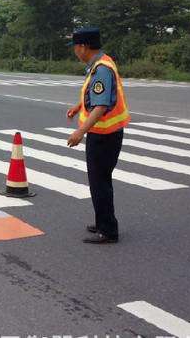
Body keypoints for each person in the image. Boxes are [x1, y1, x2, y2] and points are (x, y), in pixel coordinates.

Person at [65, 27, 130, 244]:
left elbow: (101, 105)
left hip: (104, 135)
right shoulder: (101, 63)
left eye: (75, 47)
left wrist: (79, 132)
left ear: (83, 46)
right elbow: (95, 96)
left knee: (99, 182)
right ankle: (102, 220)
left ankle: (108, 230)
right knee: (100, 181)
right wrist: (78, 107)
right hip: (105, 134)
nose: (75, 51)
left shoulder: (101, 69)